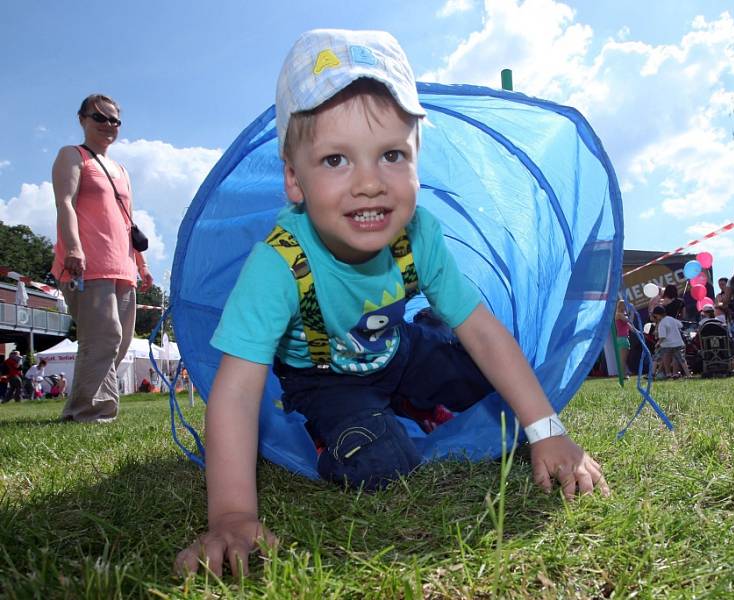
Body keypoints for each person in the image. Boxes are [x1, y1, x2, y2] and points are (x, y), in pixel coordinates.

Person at [175, 29, 610, 577]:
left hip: (396, 349)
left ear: (417, 160)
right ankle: (345, 427)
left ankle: (422, 366)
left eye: (391, 155)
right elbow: (238, 389)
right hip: (327, 379)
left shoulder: (420, 233)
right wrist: (233, 513)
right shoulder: (279, 263)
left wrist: (547, 431)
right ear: (293, 178)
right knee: (381, 461)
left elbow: (483, 328)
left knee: (483, 375)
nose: (369, 184)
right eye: (335, 160)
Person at [51, 94, 153, 423]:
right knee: (103, 335)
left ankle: (87, 406)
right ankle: (90, 412)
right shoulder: (72, 156)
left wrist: (141, 264)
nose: (108, 125)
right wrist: (74, 248)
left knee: (119, 340)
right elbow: (65, 202)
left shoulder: (120, 170)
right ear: (82, 119)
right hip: (88, 263)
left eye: (114, 120)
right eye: (100, 117)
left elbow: (128, 220)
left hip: (122, 266)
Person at [652, 305, 689, 378]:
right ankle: (688, 374)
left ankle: (654, 373)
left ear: (657, 315)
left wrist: (658, 343)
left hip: (667, 345)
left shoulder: (661, 323)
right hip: (678, 343)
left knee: (657, 357)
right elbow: (680, 325)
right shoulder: (671, 319)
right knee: (682, 360)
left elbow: (662, 336)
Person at [614, 299, 631, 377]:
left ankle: (623, 374)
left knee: (625, 359)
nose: (626, 307)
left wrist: (639, 332)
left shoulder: (623, 315)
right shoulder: (619, 314)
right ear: (621, 306)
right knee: (622, 359)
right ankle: (622, 375)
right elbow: (628, 320)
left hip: (625, 338)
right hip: (621, 338)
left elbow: (630, 327)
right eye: (625, 305)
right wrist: (631, 313)